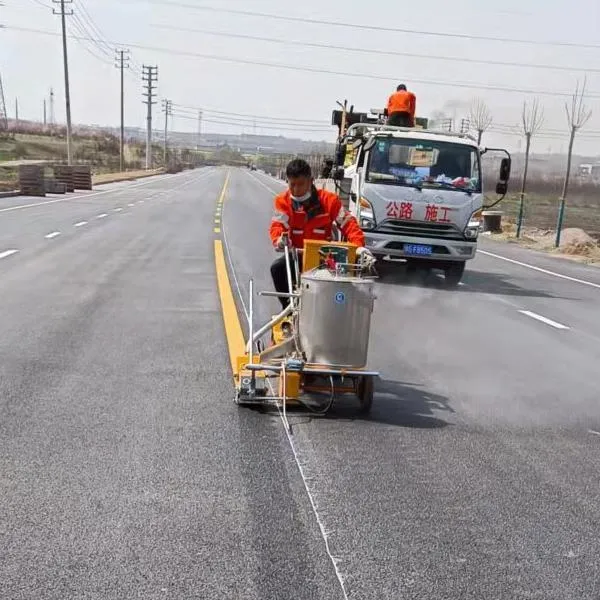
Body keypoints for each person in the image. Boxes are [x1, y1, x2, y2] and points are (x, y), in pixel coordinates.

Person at [269, 158, 374, 308]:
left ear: (311, 181)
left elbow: (349, 224)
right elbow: (277, 225)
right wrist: (280, 239)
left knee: (341, 291)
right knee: (277, 269)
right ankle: (290, 309)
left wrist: (359, 247)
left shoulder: (329, 201)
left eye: (301, 184)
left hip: (324, 258)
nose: (296, 190)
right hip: (297, 256)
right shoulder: (283, 202)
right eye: (292, 185)